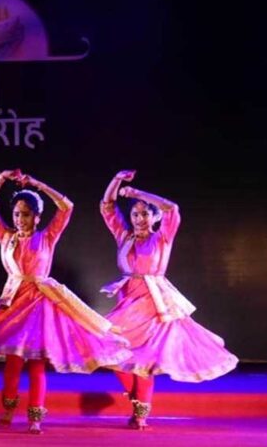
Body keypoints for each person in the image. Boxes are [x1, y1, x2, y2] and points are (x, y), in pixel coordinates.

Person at [0, 170, 129, 434]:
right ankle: (8, 410)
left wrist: (37, 184)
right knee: (13, 360)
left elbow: (66, 206)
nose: (20, 219)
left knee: (37, 363)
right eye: (17, 214)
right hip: (14, 301)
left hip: (40, 302)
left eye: (26, 214)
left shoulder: (47, 236)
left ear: (37, 217)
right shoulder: (6, 237)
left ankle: (35, 417)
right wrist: (1, 179)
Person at [100, 170, 238, 429]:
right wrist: (116, 180)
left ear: (154, 216)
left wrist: (137, 193)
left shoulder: (162, 237)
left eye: (145, 213)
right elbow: (107, 206)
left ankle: (141, 415)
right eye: (135, 214)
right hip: (128, 301)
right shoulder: (124, 236)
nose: (139, 218)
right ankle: (138, 402)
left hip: (155, 303)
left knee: (144, 360)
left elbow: (172, 208)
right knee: (114, 354)